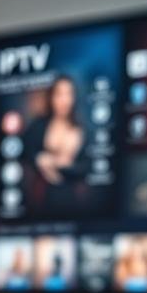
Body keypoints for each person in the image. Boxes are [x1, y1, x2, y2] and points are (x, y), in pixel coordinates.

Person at [23, 75, 87, 209]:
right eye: (59, 94)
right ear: (51, 97)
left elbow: (86, 168)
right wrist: (39, 159)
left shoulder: (82, 128)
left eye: (68, 94)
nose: (64, 100)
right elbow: (25, 150)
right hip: (39, 195)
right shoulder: (39, 124)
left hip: (69, 198)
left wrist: (58, 164)